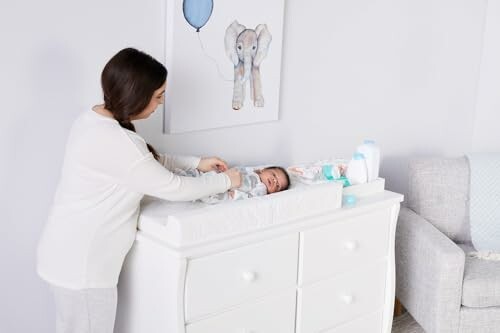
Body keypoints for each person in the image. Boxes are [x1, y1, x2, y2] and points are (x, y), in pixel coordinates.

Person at [36, 47, 242, 333]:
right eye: (158, 97)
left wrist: (198, 162)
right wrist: (227, 181)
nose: (160, 103)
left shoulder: (92, 120)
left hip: (63, 255)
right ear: (137, 95)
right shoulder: (118, 142)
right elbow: (175, 187)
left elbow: (144, 160)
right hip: (83, 269)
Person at [176, 166, 290, 203]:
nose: (274, 181)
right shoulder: (252, 170)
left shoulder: (262, 189)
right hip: (225, 177)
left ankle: (193, 191)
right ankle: (184, 176)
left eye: (278, 186)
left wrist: (235, 195)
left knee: (212, 194)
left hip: (229, 190)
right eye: (274, 175)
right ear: (263, 170)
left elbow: (251, 198)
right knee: (205, 175)